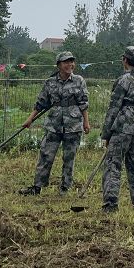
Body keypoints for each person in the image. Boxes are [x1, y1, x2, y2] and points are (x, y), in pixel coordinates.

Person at [19, 51, 90, 195]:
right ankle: (37, 187)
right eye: (66, 62)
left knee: (69, 158)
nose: (69, 65)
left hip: (73, 125)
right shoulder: (50, 82)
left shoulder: (79, 80)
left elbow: (83, 103)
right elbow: (41, 103)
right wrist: (30, 119)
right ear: (59, 65)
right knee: (46, 155)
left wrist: (86, 123)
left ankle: (65, 187)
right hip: (53, 125)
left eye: (71, 62)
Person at [101, 46, 134, 212]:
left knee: (113, 164)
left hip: (122, 126)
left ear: (125, 60)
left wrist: (106, 133)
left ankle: (110, 204)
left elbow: (114, 107)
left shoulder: (122, 80)